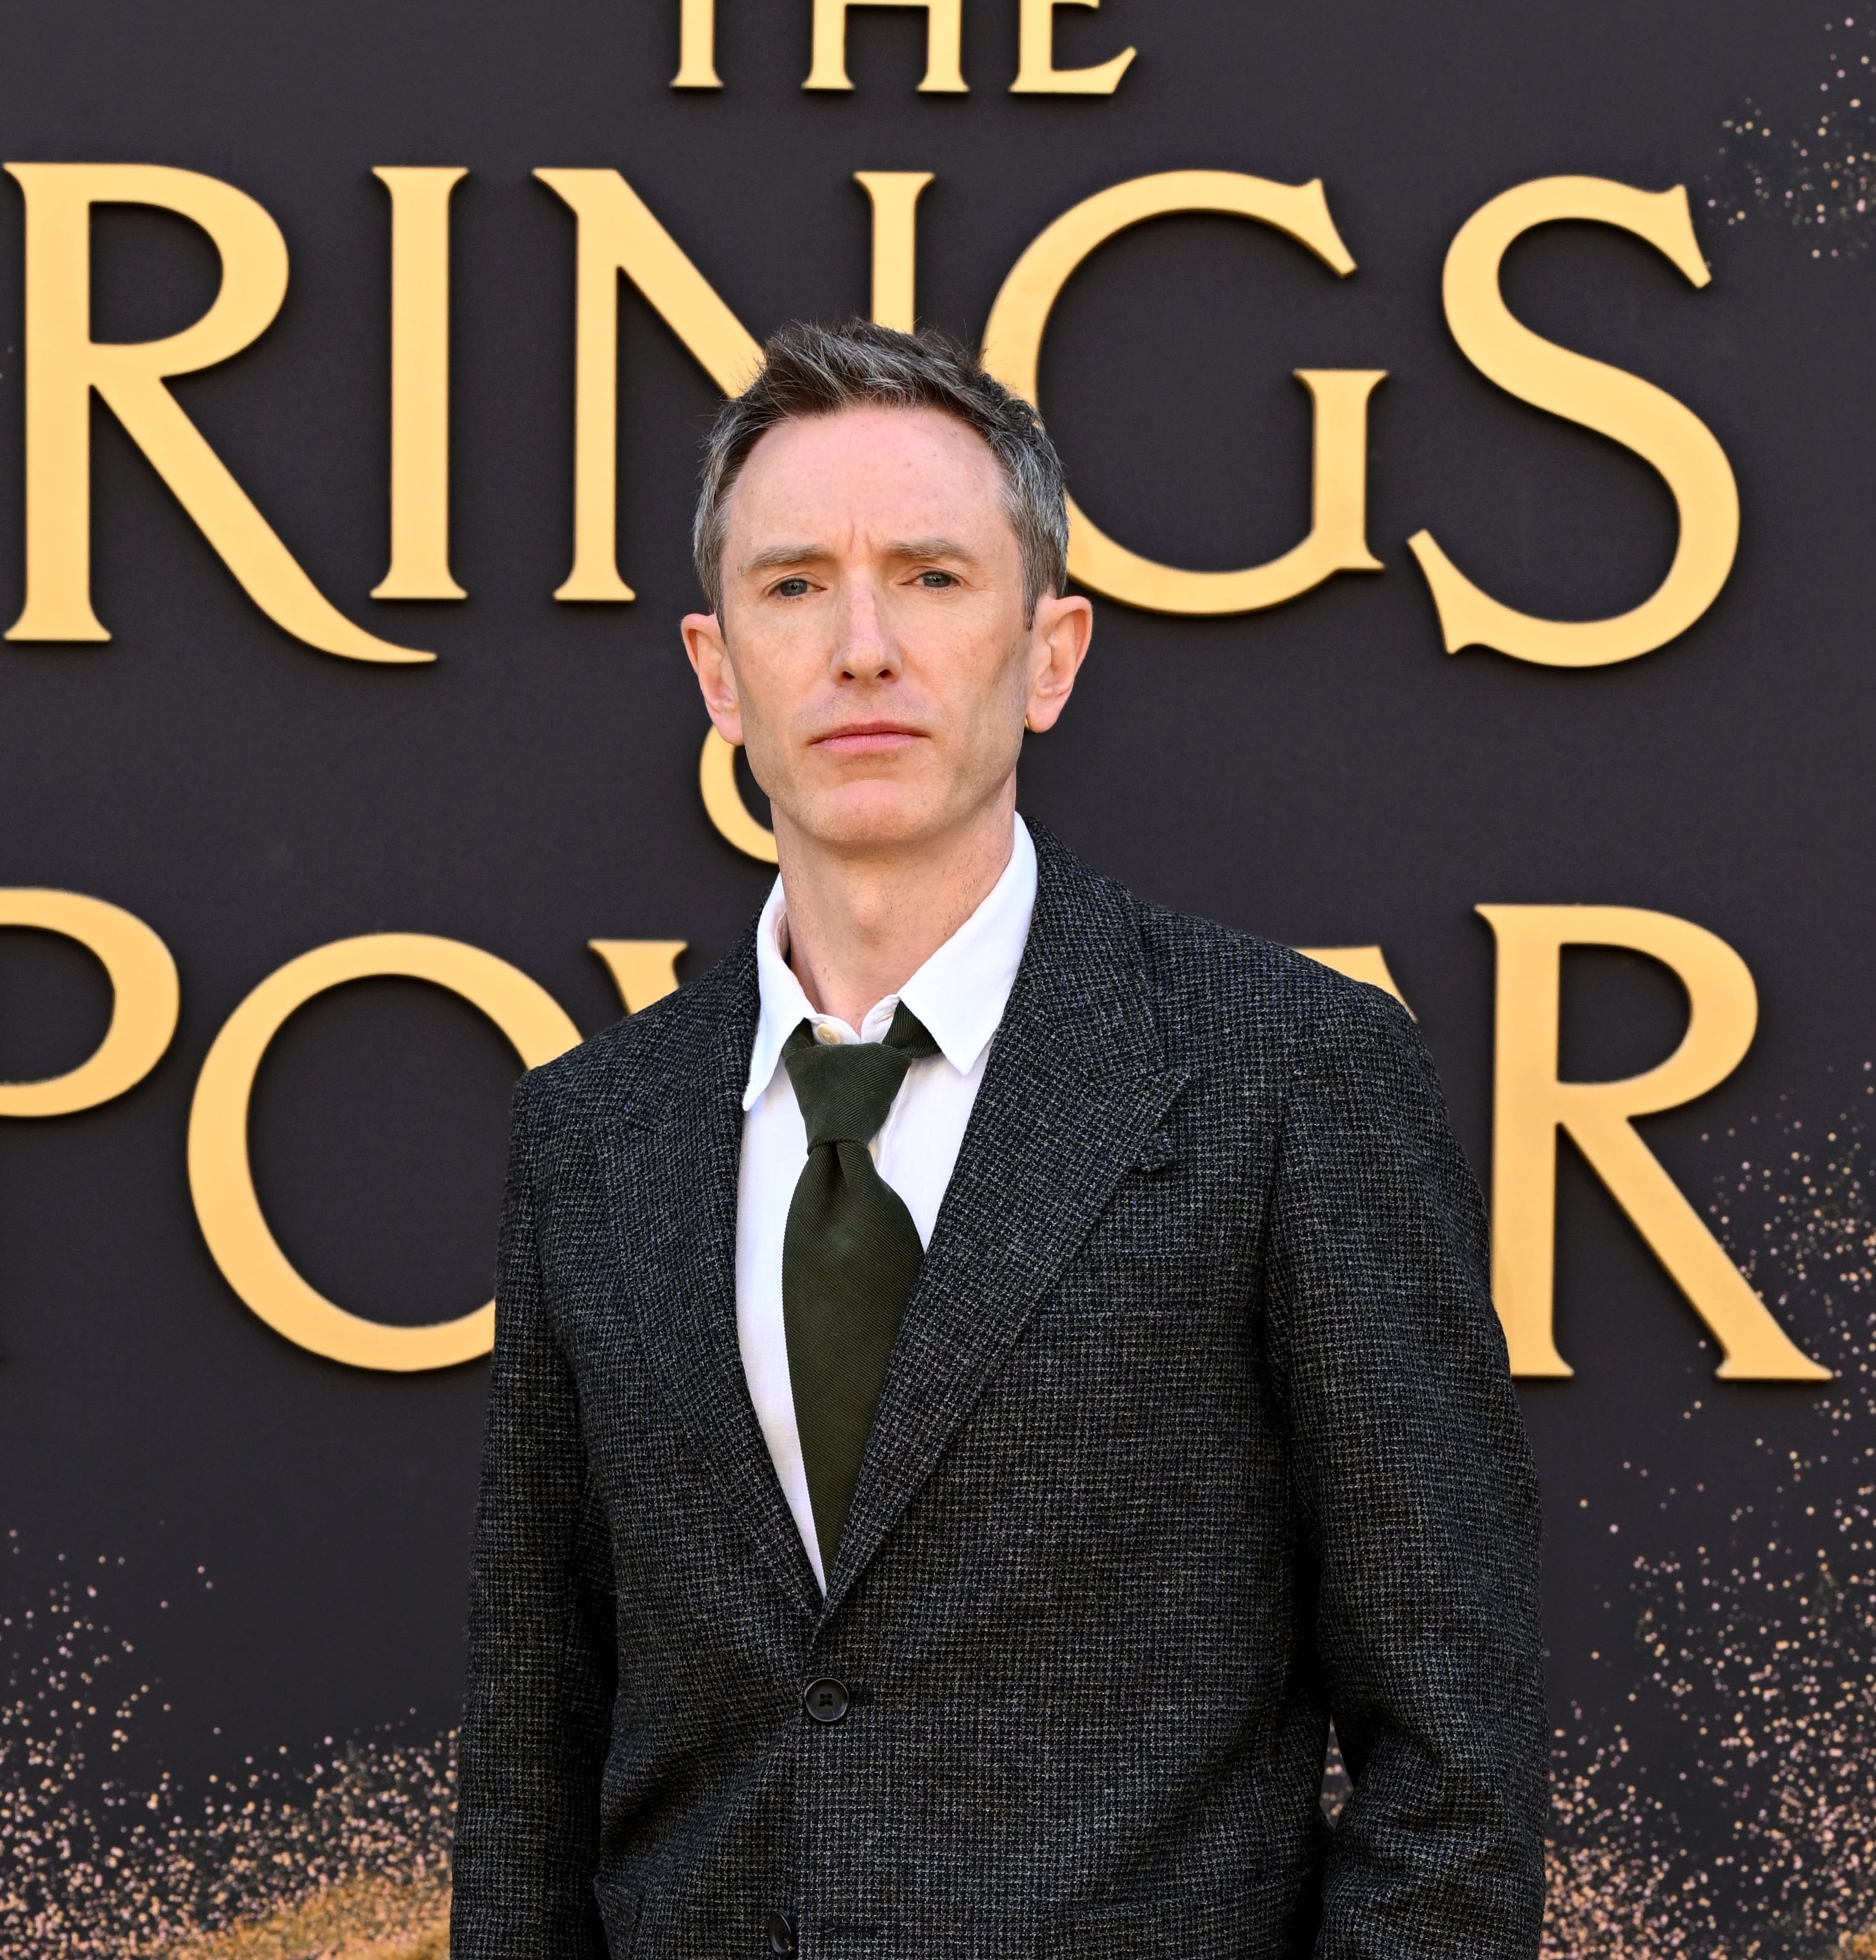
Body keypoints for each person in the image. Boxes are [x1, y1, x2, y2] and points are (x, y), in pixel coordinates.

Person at [450, 319, 1546, 1959]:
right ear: (713, 665)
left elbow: (1452, 1753)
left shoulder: (1288, 1079)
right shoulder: (589, 1138)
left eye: (934, 578)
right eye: (794, 583)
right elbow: (536, 1758)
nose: (863, 647)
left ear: (1051, 652)